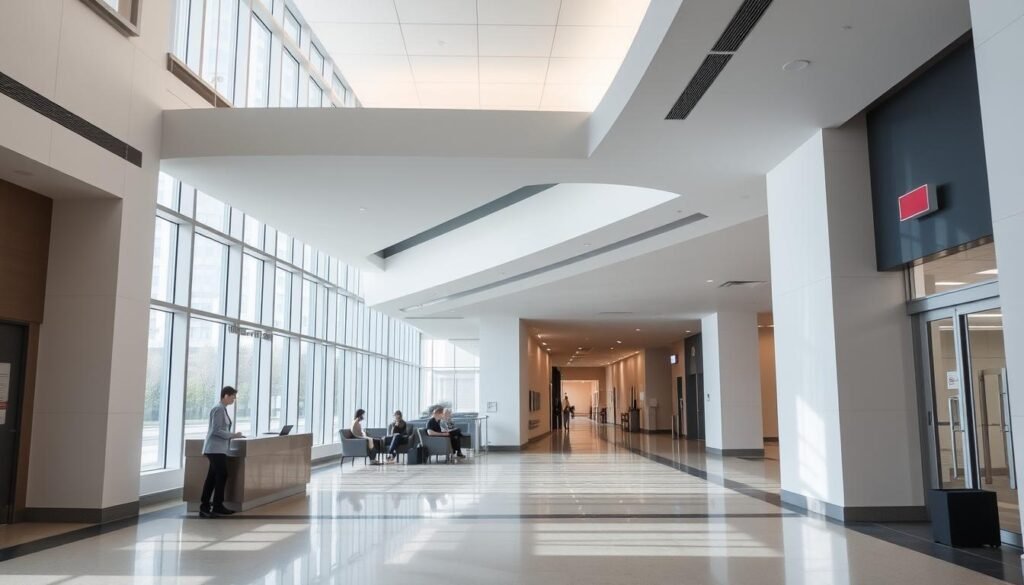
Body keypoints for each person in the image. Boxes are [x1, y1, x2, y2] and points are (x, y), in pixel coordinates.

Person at [200, 386, 244, 518]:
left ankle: (206, 506)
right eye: (233, 396)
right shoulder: (218, 409)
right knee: (222, 474)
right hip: (214, 449)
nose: (234, 399)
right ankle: (216, 505)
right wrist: (233, 435)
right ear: (225, 395)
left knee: (212, 478)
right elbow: (216, 430)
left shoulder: (222, 409)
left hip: (218, 449)